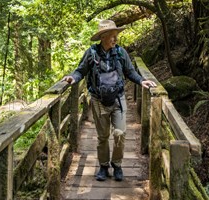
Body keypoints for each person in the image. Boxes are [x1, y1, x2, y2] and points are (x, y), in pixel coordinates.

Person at [63, 19, 156, 181]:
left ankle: (117, 165)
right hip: (98, 100)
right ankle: (104, 166)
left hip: (118, 99)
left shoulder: (120, 53)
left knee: (120, 133)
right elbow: (80, 71)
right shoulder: (91, 53)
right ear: (103, 37)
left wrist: (142, 81)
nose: (115, 39)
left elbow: (130, 72)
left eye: (116, 35)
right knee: (103, 136)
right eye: (112, 36)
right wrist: (72, 78)